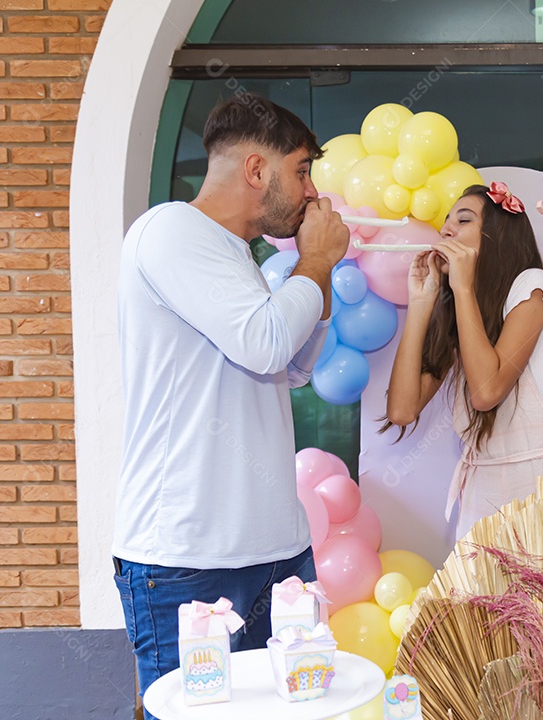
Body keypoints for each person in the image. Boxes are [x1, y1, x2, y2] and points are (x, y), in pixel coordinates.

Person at [112, 93, 351, 708]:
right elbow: (265, 342)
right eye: (302, 170)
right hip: (188, 557)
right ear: (256, 169)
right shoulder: (171, 230)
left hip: (277, 551)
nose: (312, 191)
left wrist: (318, 271)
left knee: (299, 710)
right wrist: (316, 260)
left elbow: (293, 366)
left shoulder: (239, 254)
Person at [384, 182, 543, 538]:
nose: (446, 230)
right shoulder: (463, 311)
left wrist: (462, 288)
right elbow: (401, 411)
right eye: (446, 222)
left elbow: (486, 392)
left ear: (497, 236)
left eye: (462, 220)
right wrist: (420, 302)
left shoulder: (533, 285)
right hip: (482, 484)